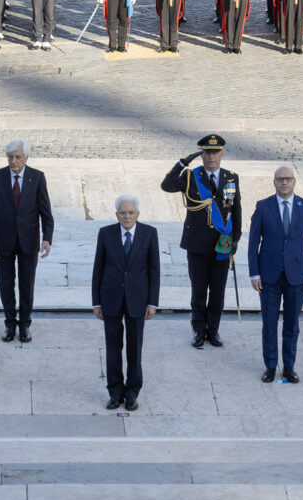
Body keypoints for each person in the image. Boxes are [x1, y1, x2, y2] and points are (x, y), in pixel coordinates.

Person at [161, 134, 242, 348]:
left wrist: (235, 238)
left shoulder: (231, 178)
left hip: (221, 244)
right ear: (201, 154)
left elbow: (236, 210)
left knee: (218, 291)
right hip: (197, 243)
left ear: (222, 154)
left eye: (215, 152)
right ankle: (198, 329)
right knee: (198, 291)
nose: (211, 157)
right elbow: (166, 186)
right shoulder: (190, 176)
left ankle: (213, 330)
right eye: (207, 152)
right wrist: (182, 163)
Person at [248, 166, 303, 384]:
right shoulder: (263, 206)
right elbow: (253, 243)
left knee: (291, 324)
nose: (284, 183)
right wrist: (254, 274)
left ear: (294, 181)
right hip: (268, 276)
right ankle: (270, 366)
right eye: (280, 179)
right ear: (274, 182)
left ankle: (289, 366)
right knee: (269, 324)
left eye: (288, 179)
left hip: (297, 276)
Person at [92, 195, 159, 412]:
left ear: (137, 214)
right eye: (123, 213)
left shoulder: (149, 234)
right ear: (116, 214)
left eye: (131, 212)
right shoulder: (106, 233)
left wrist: (152, 302)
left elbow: (154, 270)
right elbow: (98, 269)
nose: (127, 216)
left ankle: (132, 393)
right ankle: (115, 392)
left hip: (138, 300)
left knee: (134, 349)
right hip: (110, 298)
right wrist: (96, 303)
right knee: (113, 348)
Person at [0, 139, 54, 343]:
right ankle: (9, 323)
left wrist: (47, 238)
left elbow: (46, 212)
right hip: (2, 242)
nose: (14, 161)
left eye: (18, 157)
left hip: (28, 241)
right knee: (5, 284)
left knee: (26, 284)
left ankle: (24, 325)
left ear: (26, 158)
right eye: (10, 157)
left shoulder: (37, 177)